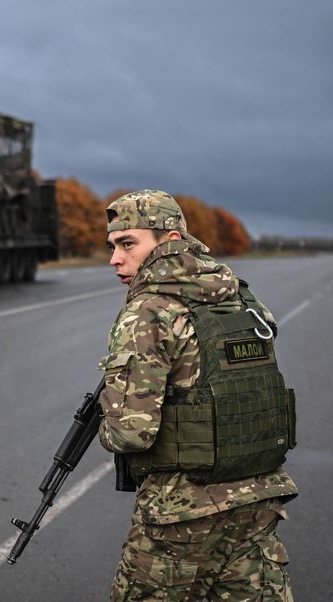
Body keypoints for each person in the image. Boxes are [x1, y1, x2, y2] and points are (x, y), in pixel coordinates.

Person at [98, 190, 298, 601]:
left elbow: (130, 434)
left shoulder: (149, 311)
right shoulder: (242, 297)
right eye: (112, 246)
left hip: (182, 515)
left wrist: (107, 422)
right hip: (258, 501)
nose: (115, 259)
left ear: (169, 240)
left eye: (128, 243)